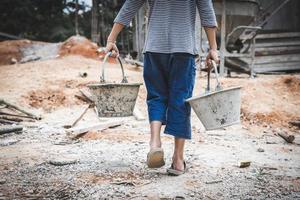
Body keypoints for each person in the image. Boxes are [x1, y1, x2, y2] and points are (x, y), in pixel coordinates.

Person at [105, 0, 219, 176]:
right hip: (184, 48)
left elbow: (130, 7)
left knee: (156, 96)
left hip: (154, 47)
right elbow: (207, 13)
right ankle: (178, 161)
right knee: (181, 101)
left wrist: (111, 39)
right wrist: (213, 48)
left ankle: (155, 143)